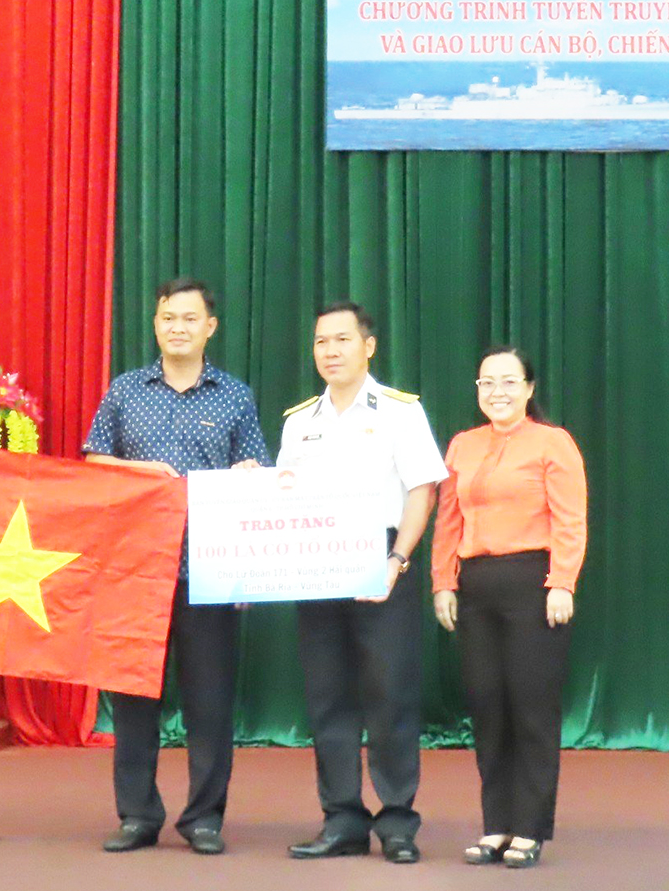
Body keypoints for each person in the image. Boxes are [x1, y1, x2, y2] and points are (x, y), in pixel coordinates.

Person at [82, 278, 268, 855]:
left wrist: (249, 478)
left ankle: (204, 819)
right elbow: (93, 464)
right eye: (168, 318)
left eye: (190, 318)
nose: (178, 328)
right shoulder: (125, 390)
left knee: (210, 705)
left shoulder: (235, 396)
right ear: (155, 324)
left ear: (210, 327)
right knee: (134, 703)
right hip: (135, 573)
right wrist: (141, 473)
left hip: (210, 573)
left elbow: (257, 475)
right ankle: (137, 816)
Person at [277, 301, 447, 864]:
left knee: (389, 695)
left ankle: (397, 823)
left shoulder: (399, 412)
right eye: (321, 341)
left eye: (342, 340)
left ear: (368, 347)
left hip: (382, 561)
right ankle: (342, 820)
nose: (331, 351)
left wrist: (397, 560)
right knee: (328, 698)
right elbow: (282, 497)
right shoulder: (299, 421)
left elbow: (423, 490)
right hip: (315, 567)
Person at [431, 347, 588, 870]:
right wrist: (443, 583)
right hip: (475, 586)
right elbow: (448, 522)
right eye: (487, 383)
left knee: (531, 708)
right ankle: (495, 824)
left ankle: (529, 828)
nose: (496, 392)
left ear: (529, 388)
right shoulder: (463, 444)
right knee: (487, 706)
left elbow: (570, 520)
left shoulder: (553, 442)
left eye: (508, 382)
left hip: (533, 583)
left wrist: (562, 582)